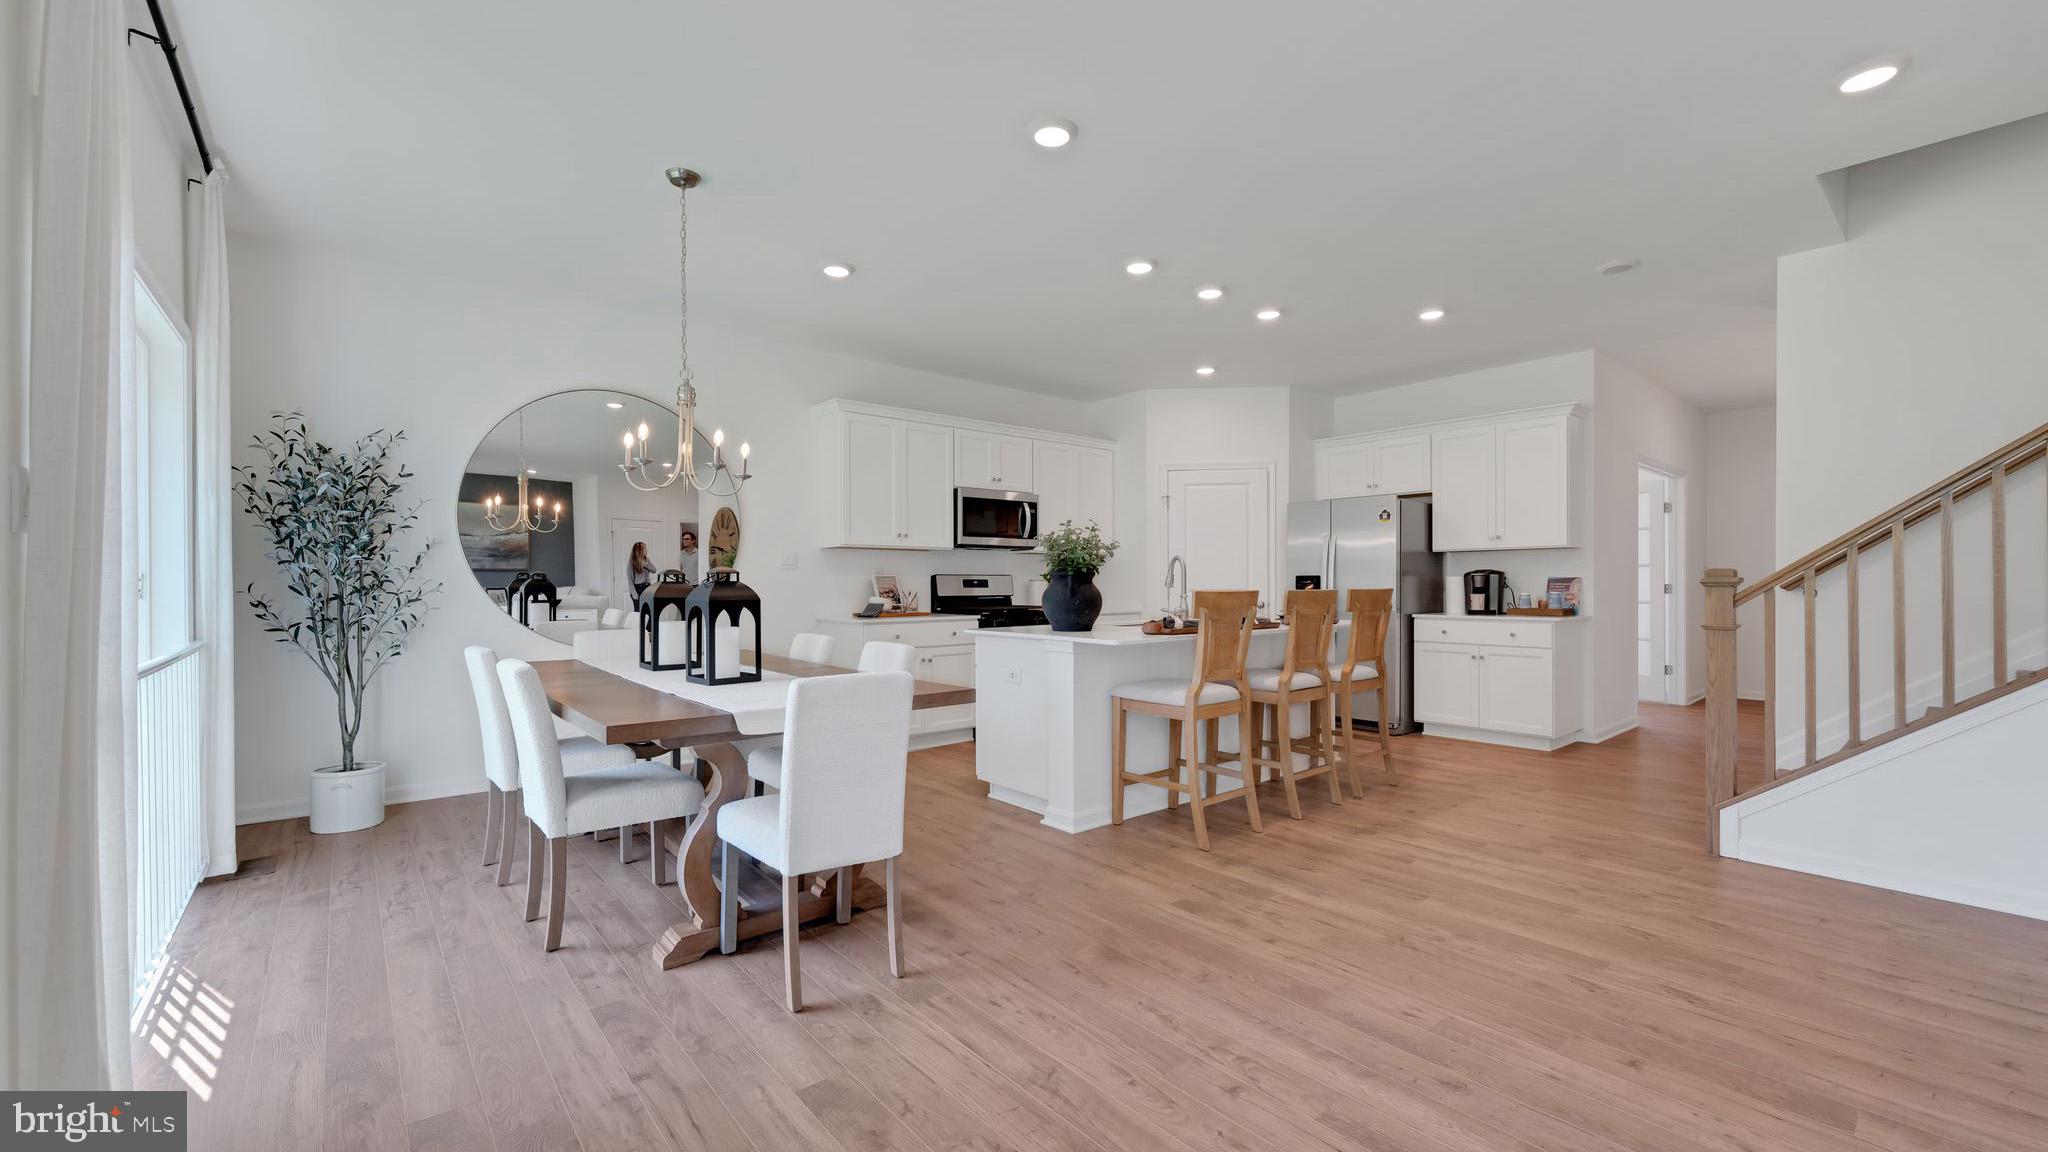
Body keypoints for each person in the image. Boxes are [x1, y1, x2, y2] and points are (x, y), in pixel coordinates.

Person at [627, 541, 654, 609]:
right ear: (639, 550)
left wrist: (646, 565)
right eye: (644, 548)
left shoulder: (647, 560)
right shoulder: (632, 563)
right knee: (638, 614)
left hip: (648, 588)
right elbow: (630, 580)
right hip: (638, 589)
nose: (646, 550)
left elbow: (654, 570)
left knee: (649, 612)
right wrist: (634, 595)